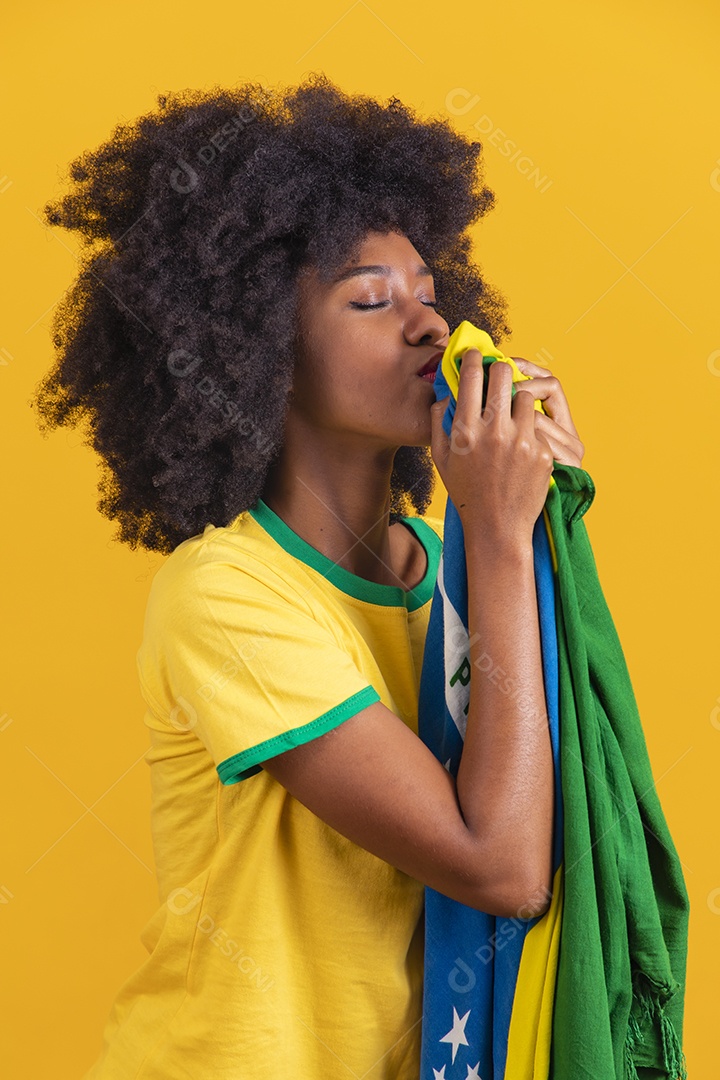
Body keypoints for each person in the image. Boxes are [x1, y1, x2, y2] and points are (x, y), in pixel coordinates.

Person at [30, 74, 584, 1079]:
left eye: (429, 292)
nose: (426, 326)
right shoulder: (228, 595)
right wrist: (503, 539)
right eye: (370, 299)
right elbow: (501, 868)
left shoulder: (453, 569)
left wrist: (539, 535)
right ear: (258, 351)